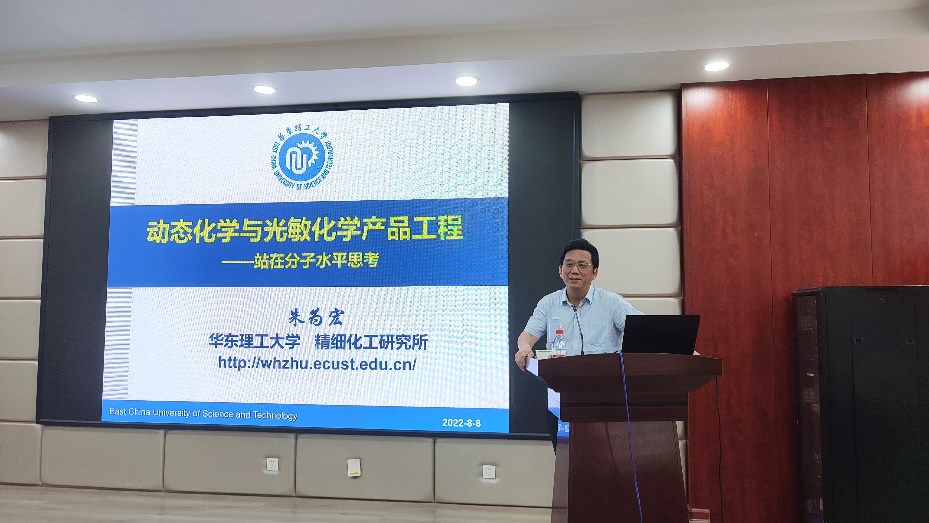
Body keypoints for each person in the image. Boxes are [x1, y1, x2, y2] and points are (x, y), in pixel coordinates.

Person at [515, 238, 643, 371]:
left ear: (594, 273)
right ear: (560, 270)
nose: (575, 271)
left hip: (603, 379)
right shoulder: (548, 303)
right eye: (569, 264)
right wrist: (524, 349)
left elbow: (642, 331)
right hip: (560, 379)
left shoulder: (612, 303)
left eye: (582, 265)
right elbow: (528, 335)